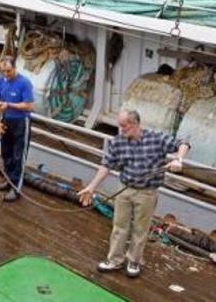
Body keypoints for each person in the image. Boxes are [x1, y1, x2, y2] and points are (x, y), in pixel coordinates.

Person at [77, 109, 189, 278]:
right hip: (125, 189)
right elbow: (106, 165)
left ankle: (134, 261)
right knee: (119, 227)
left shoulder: (155, 139)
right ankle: (114, 260)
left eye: (125, 127)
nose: (121, 131)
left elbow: (183, 143)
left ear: (136, 124)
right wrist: (91, 187)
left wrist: (178, 159)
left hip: (147, 193)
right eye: (119, 127)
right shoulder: (118, 142)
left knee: (140, 229)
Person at [0, 56, 34, 202]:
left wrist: (9, 105)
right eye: (3, 71)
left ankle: (15, 188)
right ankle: (8, 180)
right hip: (6, 121)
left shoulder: (24, 83)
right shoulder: (0, 81)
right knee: (6, 153)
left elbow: (29, 105)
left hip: (21, 122)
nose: (6, 74)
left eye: (8, 71)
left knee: (18, 156)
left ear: (15, 68)